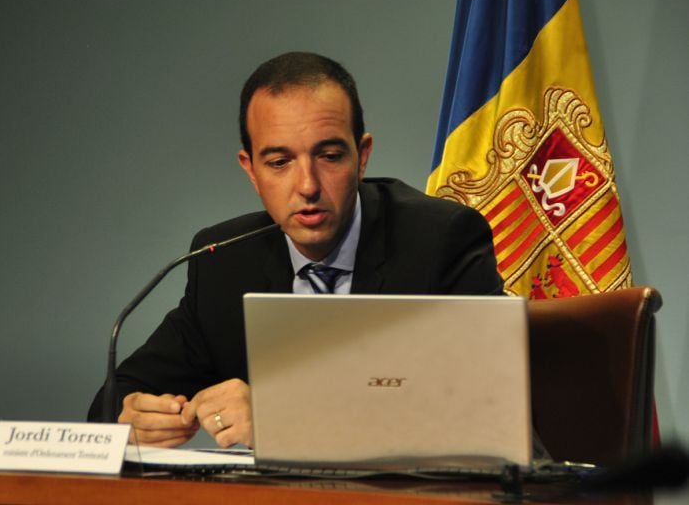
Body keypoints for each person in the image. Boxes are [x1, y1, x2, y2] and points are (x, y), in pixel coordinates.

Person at [88, 51, 504, 449]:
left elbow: (484, 409)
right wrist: (131, 419)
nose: (307, 186)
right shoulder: (225, 262)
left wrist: (282, 419)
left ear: (362, 157)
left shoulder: (440, 241)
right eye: (279, 162)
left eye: (328, 155)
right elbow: (116, 400)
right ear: (250, 170)